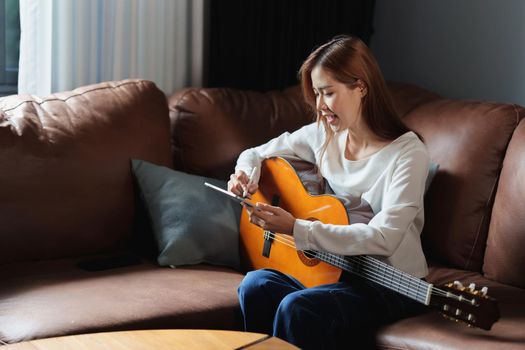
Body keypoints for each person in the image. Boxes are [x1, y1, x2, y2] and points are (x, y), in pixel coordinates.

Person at [227, 35, 430, 349]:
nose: (320, 106)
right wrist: (246, 176)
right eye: (317, 94)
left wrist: (295, 228)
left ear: (361, 87)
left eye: (328, 93)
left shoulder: (408, 153)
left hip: (390, 283)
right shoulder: (324, 135)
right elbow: (255, 153)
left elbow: (384, 236)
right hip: (336, 270)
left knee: (298, 308)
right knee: (255, 284)